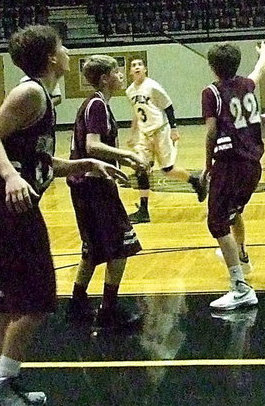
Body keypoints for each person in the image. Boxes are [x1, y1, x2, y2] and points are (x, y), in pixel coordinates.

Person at [0, 25, 125, 406]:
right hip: (10, 207)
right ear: (52, 57)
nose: (68, 51)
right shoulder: (29, 92)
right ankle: (1, 384)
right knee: (37, 299)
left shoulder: (43, 97)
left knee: (11, 300)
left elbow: (37, 160)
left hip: (8, 205)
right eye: (62, 47)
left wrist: (82, 163)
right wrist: (9, 176)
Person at [65, 55, 150, 329]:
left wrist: (125, 161)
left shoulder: (96, 104)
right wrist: (128, 154)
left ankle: (76, 304)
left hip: (85, 185)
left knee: (93, 248)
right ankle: (108, 310)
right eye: (117, 71)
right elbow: (92, 146)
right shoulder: (98, 105)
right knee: (120, 247)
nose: (122, 74)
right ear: (105, 78)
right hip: (93, 186)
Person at [203, 38, 265, 310]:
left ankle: (240, 287)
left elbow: (211, 132)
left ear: (212, 67)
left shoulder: (212, 92)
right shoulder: (246, 84)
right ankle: (241, 258)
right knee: (232, 213)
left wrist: (207, 165)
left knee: (216, 223)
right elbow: (257, 73)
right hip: (253, 165)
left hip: (230, 163)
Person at [125, 58, 206, 223]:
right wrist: (132, 132)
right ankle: (143, 210)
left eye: (139, 64)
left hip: (161, 130)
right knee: (142, 168)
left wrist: (174, 129)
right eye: (133, 66)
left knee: (167, 169)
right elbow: (137, 112)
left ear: (145, 69)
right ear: (130, 72)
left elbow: (168, 106)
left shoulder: (153, 86)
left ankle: (195, 182)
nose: (137, 67)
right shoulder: (130, 91)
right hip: (144, 134)